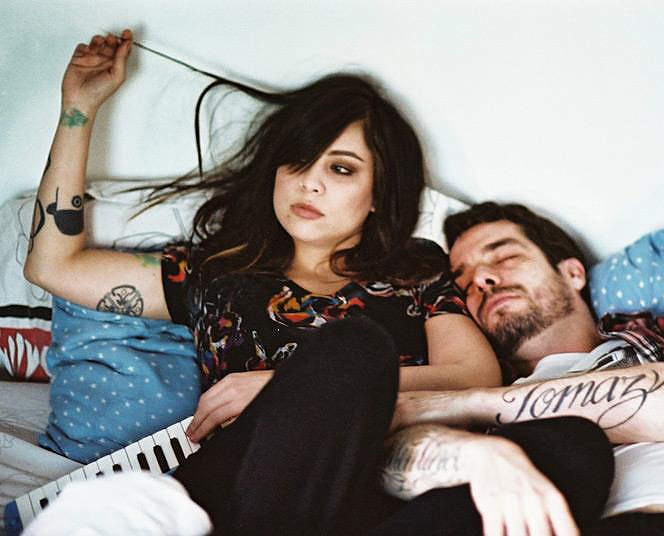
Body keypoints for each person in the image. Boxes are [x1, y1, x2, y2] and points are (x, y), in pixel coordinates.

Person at [21, 32, 611, 536]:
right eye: (298, 162)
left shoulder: (414, 270)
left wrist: (284, 384)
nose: (310, 184)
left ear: (378, 195)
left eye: (341, 169)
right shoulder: (217, 271)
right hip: (250, 484)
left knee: (575, 448)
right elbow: (53, 267)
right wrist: (79, 110)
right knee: (353, 349)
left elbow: (471, 375)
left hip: (383, 481)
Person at [380, 202, 664, 536]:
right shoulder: (481, 392)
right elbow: (389, 466)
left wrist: (463, 403)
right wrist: (478, 455)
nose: (482, 280)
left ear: (572, 272)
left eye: (505, 256)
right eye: (464, 282)